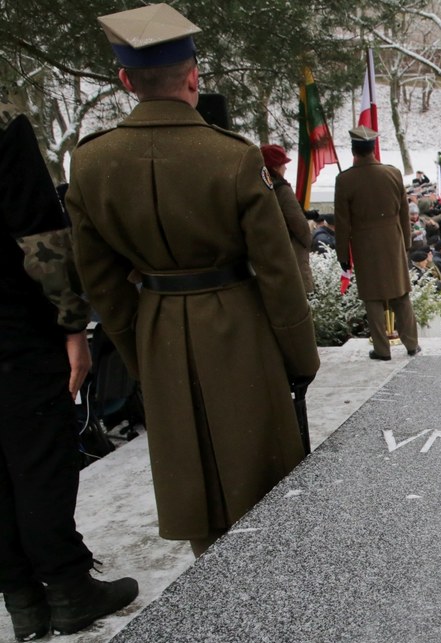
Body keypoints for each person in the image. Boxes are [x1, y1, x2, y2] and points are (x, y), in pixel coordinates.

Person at [66, 3, 319, 557]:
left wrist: (141, 353)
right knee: (264, 480)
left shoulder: (90, 164)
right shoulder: (232, 157)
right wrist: (302, 358)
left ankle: (212, 599)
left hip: (157, 328)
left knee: (198, 480)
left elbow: (102, 283)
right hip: (239, 327)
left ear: (125, 79)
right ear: (194, 77)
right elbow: (278, 273)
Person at [1, 107, 138, 641]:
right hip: (14, 329)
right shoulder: (4, 127)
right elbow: (40, 235)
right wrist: (71, 325)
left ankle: (22, 599)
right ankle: (67, 587)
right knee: (38, 461)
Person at [334, 125, 420, 361]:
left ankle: (382, 349)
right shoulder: (393, 173)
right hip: (393, 240)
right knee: (400, 293)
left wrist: (343, 254)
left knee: (372, 297)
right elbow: (404, 213)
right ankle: (411, 343)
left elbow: (342, 222)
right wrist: (406, 243)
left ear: (354, 150)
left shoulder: (345, 180)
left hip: (364, 243)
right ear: (373, 148)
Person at [260, 144, 314, 293]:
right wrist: (308, 240)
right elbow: (297, 222)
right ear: (276, 167)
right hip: (289, 252)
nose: (285, 168)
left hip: (265, 252)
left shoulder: (256, 186)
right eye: (283, 164)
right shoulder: (282, 189)